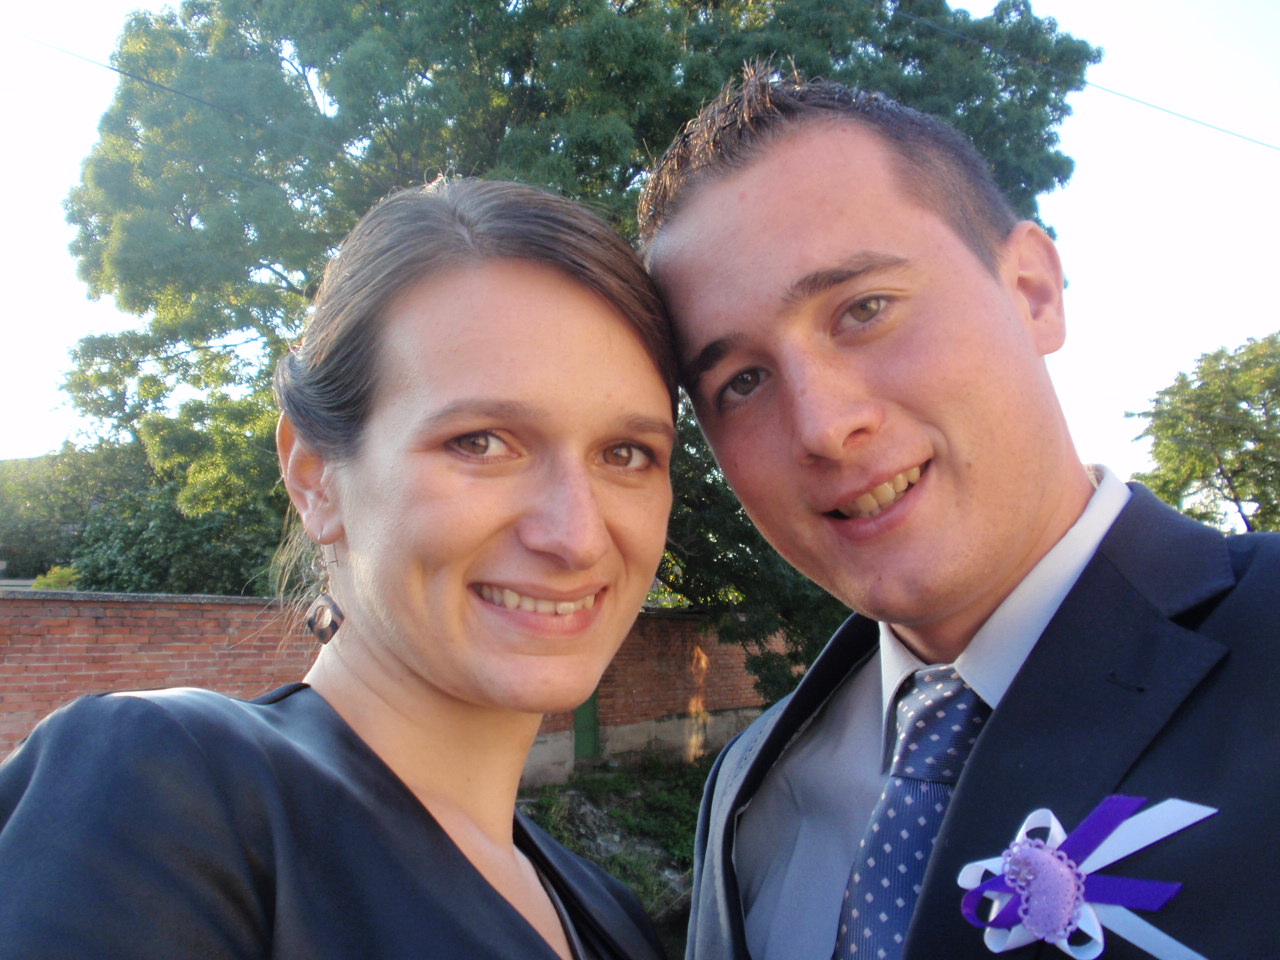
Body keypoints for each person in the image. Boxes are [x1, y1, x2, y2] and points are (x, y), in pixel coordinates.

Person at [637, 67, 1280, 960]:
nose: (821, 425)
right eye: (741, 381)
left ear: (1033, 290)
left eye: (864, 309)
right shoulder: (753, 790)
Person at [0, 179, 679, 960]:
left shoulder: (608, 915)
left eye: (626, 454)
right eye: (482, 442)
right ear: (315, 476)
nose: (577, 537)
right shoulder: (162, 797)